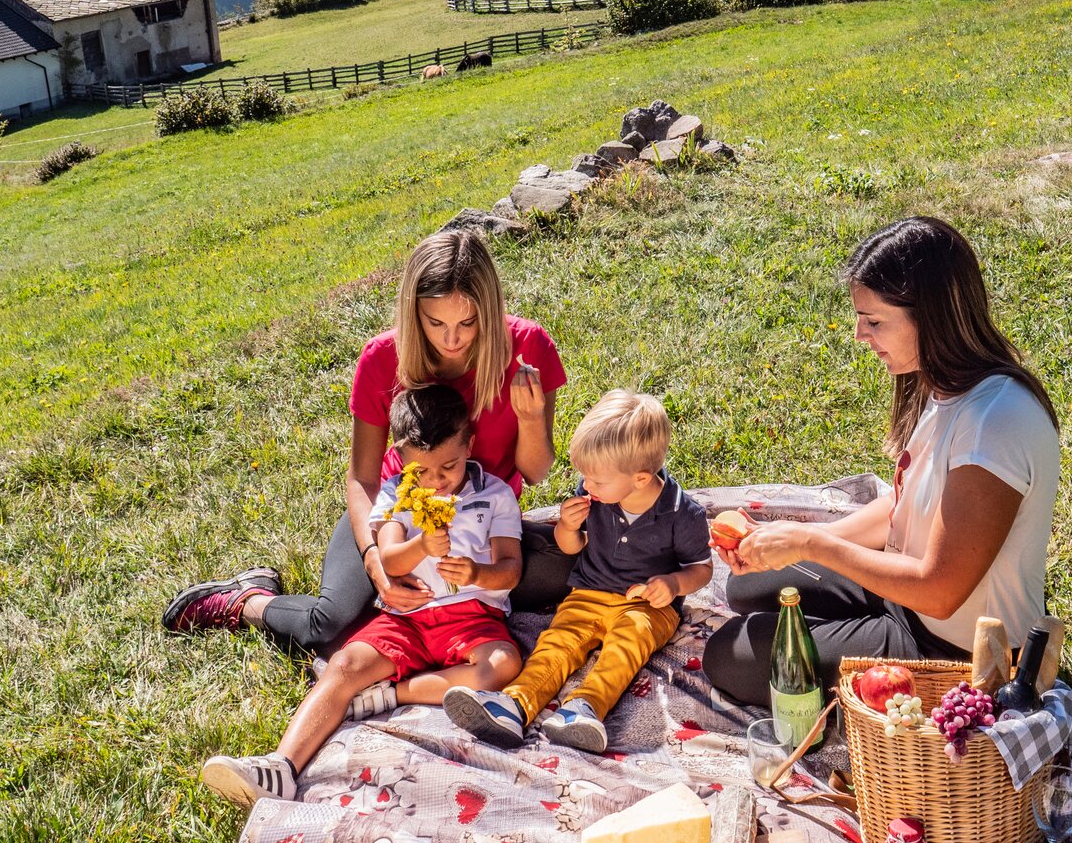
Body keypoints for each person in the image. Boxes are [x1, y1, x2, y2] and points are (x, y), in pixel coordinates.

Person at [702, 216, 1060, 705]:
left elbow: (939, 592)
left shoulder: (996, 422)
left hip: (954, 648)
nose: (858, 335)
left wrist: (811, 542)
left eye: (874, 321)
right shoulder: (948, 383)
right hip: (901, 592)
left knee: (728, 653)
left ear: (932, 315)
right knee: (752, 585)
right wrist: (794, 544)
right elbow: (905, 500)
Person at [162, 228, 569, 650]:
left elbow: (535, 472)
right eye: (436, 323)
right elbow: (362, 479)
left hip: (480, 524)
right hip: (396, 517)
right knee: (330, 624)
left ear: (490, 308)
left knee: (572, 571)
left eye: (468, 322)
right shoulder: (383, 358)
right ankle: (248, 599)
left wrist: (532, 417)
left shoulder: (526, 347)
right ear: (414, 313)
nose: (453, 339)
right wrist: (376, 562)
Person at [198, 385, 524, 806]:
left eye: (450, 466)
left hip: (473, 618)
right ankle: (281, 766)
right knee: (345, 663)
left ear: (470, 445)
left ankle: (390, 695)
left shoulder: (493, 493)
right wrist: (422, 545)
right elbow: (388, 558)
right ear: (402, 460)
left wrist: (478, 571)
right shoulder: (395, 495)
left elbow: (510, 570)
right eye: (421, 472)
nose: (438, 481)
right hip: (409, 615)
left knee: (503, 664)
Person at [444, 390, 712, 752]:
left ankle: (584, 709)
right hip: (589, 592)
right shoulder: (594, 494)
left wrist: (673, 583)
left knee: (624, 651)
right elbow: (572, 546)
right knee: (557, 644)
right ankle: (512, 705)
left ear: (641, 479)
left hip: (646, 606)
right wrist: (567, 529)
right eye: (584, 475)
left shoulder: (682, 513)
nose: (587, 485)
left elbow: (702, 568)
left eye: (596, 480)